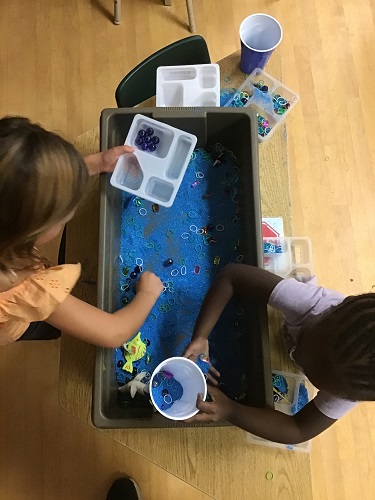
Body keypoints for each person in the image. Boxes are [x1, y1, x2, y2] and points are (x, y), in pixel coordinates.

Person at [0, 116, 163, 347]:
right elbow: (113, 332)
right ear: (32, 231)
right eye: (64, 216)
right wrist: (148, 294)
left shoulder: (7, 218)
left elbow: (24, 181)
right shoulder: (25, 289)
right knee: (44, 323)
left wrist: (97, 163)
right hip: (13, 319)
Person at [182, 263, 375, 444]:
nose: (299, 356)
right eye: (304, 345)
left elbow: (299, 430)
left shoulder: (350, 388)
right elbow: (232, 276)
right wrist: (201, 336)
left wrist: (230, 410)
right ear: (333, 308)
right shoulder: (311, 303)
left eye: (307, 369)